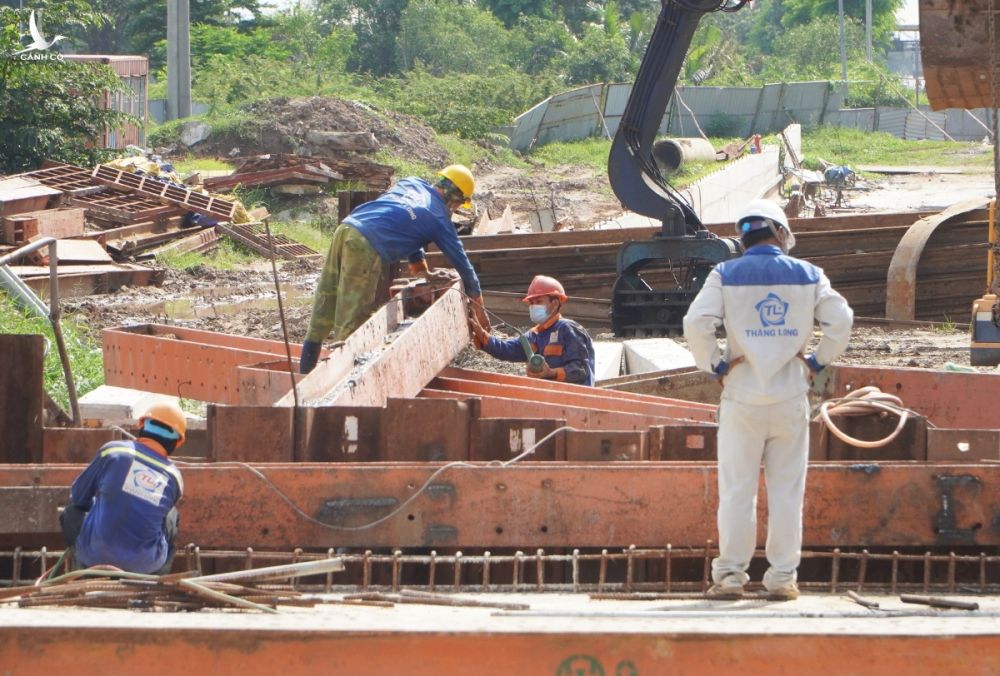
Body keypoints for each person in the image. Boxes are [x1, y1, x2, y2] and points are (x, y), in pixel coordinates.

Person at [682, 199, 853, 601]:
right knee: (786, 492)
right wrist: (816, 360)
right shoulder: (809, 274)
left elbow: (695, 323)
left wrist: (716, 365)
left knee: (737, 492)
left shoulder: (724, 273)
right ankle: (780, 579)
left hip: (741, 396)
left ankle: (729, 578)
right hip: (790, 396)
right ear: (779, 231)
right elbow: (841, 320)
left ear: (743, 236)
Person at [300, 164, 489, 373]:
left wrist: (421, 271)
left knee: (325, 304)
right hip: (365, 245)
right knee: (352, 321)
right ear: (454, 198)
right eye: (459, 203)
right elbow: (463, 264)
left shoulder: (412, 183)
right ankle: (342, 385)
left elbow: (404, 223)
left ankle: (304, 374)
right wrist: (478, 305)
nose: (455, 208)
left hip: (347, 228)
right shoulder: (439, 219)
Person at [59, 403, 186, 575]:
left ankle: (84, 569)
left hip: (95, 556)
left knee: (71, 513)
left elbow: (78, 497)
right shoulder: (174, 477)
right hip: (145, 566)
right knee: (172, 515)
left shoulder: (113, 451)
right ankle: (155, 580)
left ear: (141, 425)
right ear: (177, 442)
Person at [469, 275, 596, 386]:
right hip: (550, 398)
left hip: (575, 399)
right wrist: (482, 336)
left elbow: (581, 370)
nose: (533, 307)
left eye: (539, 301)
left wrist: (551, 373)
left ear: (555, 303)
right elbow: (507, 349)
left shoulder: (568, 329)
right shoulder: (534, 335)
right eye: (531, 303)